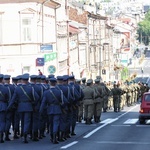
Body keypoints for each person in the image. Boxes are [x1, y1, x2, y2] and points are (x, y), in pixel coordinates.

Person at [7, 74, 40, 143]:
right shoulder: (31, 88)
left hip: (20, 106)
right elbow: (37, 98)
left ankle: (22, 133)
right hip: (28, 106)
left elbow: (13, 99)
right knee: (27, 121)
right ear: (27, 80)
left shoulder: (18, 88)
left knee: (22, 121)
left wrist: (9, 106)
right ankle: (25, 134)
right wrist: (33, 103)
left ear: (21, 80)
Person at [39, 78, 68, 144]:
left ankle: (52, 136)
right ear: (55, 83)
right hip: (57, 109)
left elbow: (43, 102)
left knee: (51, 124)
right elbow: (65, 101)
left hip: (49, 109)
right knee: (56, 123)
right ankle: (55, 135)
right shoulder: (59, 92)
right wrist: (62, 106)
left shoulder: (46, 92)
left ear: (49, 83)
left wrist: (41, 110)